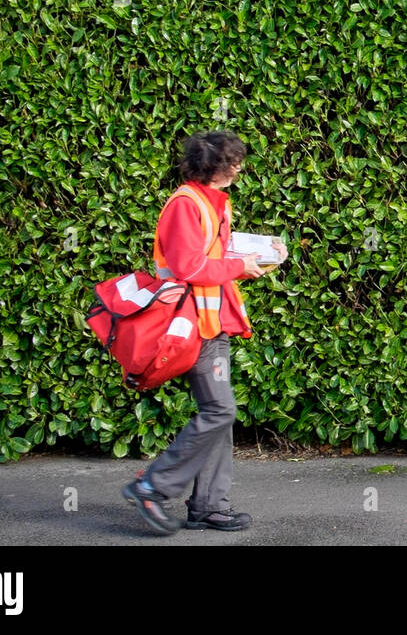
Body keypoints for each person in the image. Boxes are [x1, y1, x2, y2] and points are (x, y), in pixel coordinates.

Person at [121, 130, 286, 534]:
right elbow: (187, 268)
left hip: (210, 324)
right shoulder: (187, 204)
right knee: (219, 410)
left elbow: (217, 260)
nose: (239, 167)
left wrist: (262, 258)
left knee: (219, 412)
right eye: (232, 161)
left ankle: (209, 506)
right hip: (192, 326)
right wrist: (239, 266)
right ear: (213, 166)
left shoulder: (212, 203)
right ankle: (151, 486)